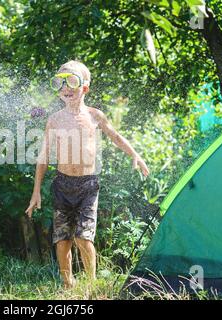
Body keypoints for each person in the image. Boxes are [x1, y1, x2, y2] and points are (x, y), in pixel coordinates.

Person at [25, 60, 149, 288]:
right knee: (62, 240)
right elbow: (43, 158)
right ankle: (67, 284)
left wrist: (135, 155)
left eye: (71, 82)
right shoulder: (54, 120)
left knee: (83, 237)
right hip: (62, 185)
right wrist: (36, 192)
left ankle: (90, 284)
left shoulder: (94, 116)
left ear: (85, 88)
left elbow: (116, 137)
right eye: (59, 83)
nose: (65, 88)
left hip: (87, 186)